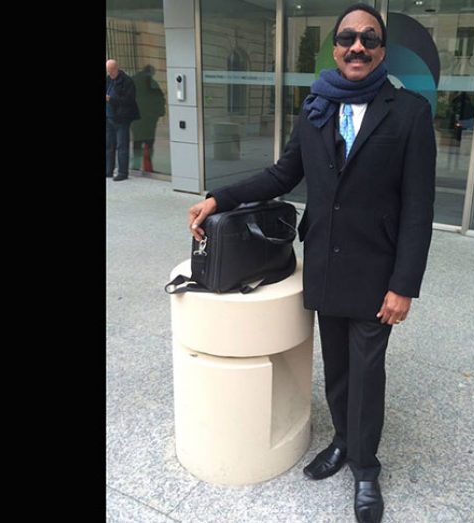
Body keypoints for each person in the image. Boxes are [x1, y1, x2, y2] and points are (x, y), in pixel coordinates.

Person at [187, 5, 435, 522]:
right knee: (339, 369)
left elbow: (419, 208)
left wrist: (404, 285)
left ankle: (366, 469)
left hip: (376, 270)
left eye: (368, 39)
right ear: (336, 49)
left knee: (368, 371)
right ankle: (344, 441)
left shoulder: (408, 113)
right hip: (323, 264)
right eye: (347, 38)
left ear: (382, 51)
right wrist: (219, 198)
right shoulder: (317, 106)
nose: (357, 47)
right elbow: (282, 175)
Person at [106, 59, 140, 181]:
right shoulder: (108, 79)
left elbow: (129, 100)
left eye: (111, 71)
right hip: (109, 117)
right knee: (109, 145)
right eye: (108, 71)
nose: (110, 74)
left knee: (122, 145)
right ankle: (109, 169)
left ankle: (122, 172)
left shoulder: (127, 81)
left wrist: (112, 99)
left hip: (121, 118)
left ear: (116, 69)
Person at [130, 65, 166, 173]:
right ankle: (148, 166)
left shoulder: (132, 82)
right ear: (150, 72)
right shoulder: (151, 82)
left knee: (137, 141)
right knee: (149, 141)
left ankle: (136, 166)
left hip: (135, 117)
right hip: (149, 117)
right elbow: (159, 99)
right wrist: (159, 112)